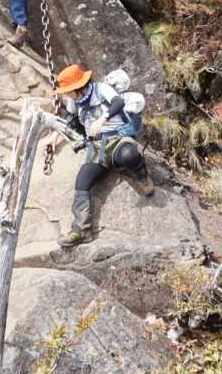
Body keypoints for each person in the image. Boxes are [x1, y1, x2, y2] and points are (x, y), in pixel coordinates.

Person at [49, 65, 153, 246]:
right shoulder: (74, 102)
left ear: (78, 88)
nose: (66, 95)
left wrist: (102, 120)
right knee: (82, 182)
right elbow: (70, 120)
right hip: (98, 147)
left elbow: (118, 102)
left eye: (68, 91)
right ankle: (80, 230)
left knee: (128, 155)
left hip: (118, 137)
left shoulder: (100, 89)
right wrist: (54, 137)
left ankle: (142, 176)